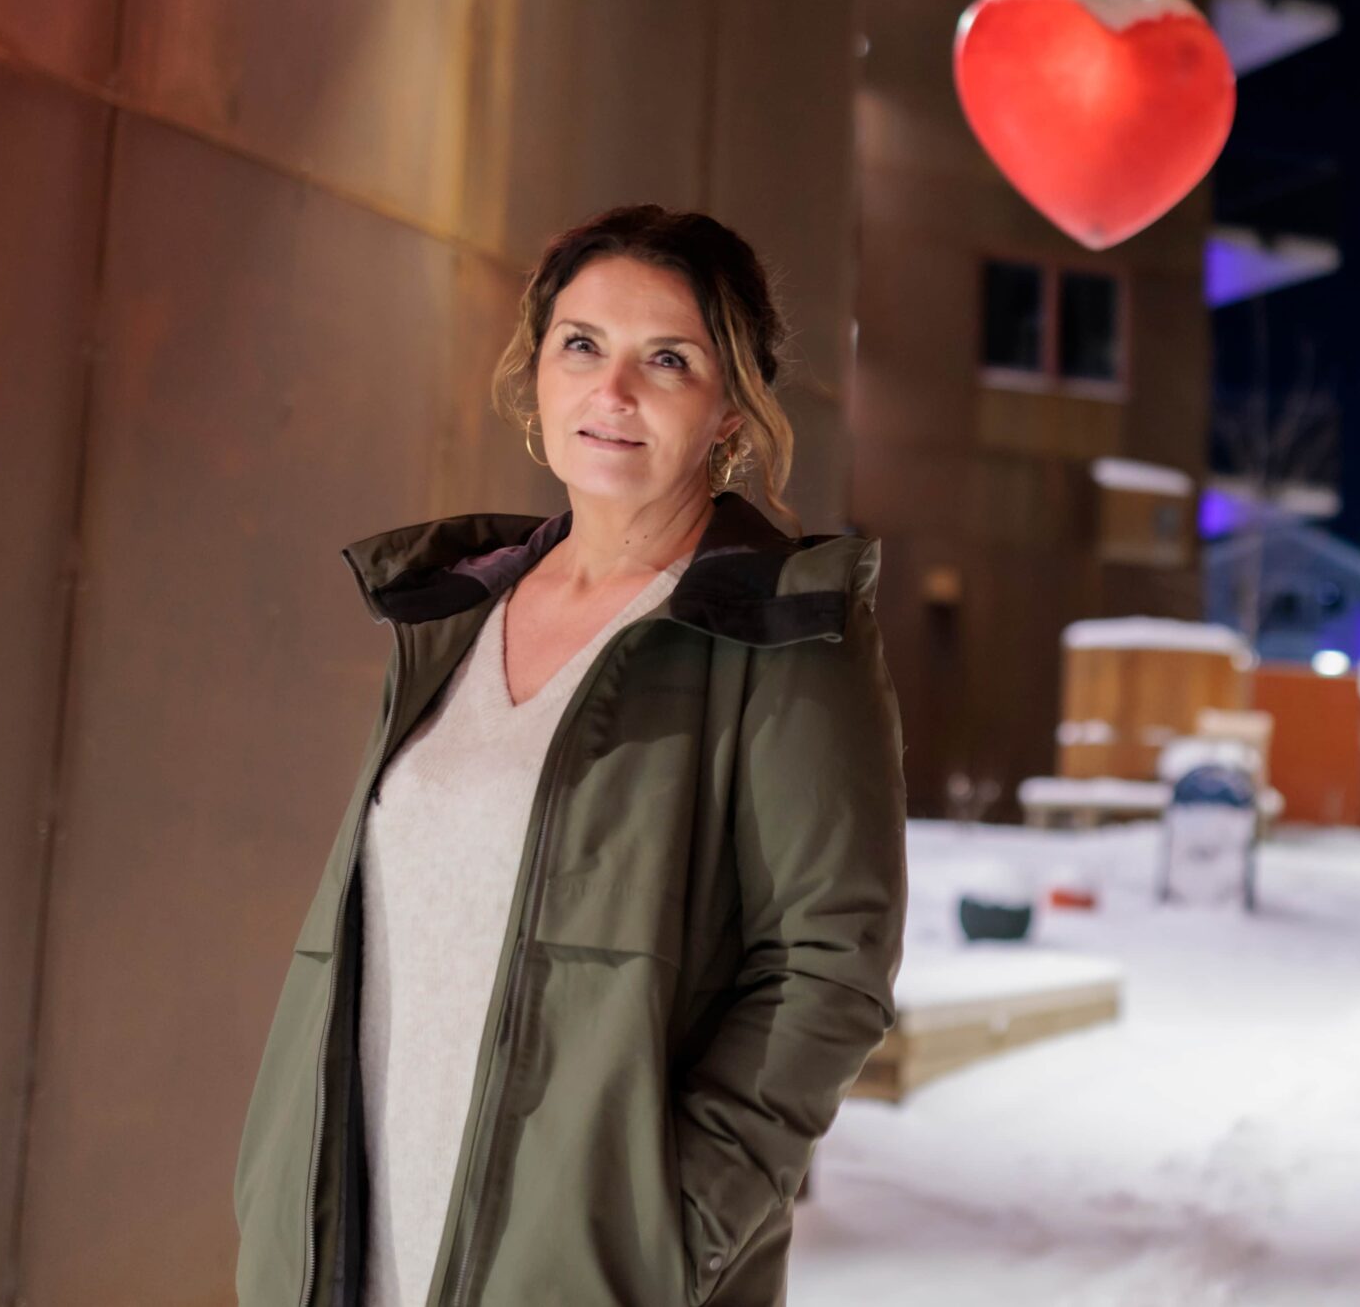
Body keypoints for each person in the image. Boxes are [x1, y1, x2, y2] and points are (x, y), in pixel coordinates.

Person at [232, 205, 908, 1307]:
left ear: (729, 406)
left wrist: (663, 1234)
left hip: (586, 1272)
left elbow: (830, 968)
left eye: (669, 359)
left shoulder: (784, 630)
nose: (615, 390)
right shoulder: (452, 612)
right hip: (359, 1245)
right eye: (582, 344)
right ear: (536, 373)